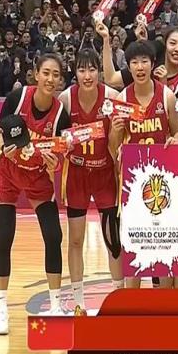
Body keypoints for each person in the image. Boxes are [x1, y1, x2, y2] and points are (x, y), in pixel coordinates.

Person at [0, 54, 71, 333]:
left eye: (56, 75)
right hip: (7, 174)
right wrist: (3, 147)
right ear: (36, 74)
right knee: (3, 237)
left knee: (54, 236)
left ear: (60, 80)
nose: (51, 79)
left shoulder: (61, 113)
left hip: (38, 178)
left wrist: (55, 163)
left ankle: (55, 305)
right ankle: (1, 308)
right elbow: (1, 132)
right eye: (46, 73)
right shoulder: (17, 98)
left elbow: (60, 153)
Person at [107, 36, 178, 289]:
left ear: (152, 64)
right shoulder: (121, 99)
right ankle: (133, 306)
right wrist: (116, 130)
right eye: (134, 62)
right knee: (135, 250)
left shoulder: (167, 96)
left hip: (163, 184)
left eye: (144, 61)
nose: (139, 67)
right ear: (128, 66)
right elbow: (112, 149)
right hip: (133, 184)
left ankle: (164, 304)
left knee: (164, 248)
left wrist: (175, 140)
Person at [58, 49, 123, 314]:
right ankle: (78, 302)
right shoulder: (65, 99)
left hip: (105, 174)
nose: (87, 75)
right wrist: (63, 143)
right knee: (76, 240)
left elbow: (122, 138)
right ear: (75, 72)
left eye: (92, 69)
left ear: (99, 72)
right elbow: (57, 140)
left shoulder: (113, 97)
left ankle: (119, 299)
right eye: (82, 69)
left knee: (113, 240)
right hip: (77, 175)